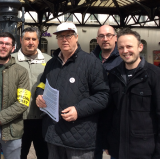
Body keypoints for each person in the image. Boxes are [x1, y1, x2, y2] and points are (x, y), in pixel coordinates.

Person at [35, 22, 109, 159]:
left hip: (79, 138)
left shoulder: (91, 63)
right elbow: (42, 84)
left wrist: (78, 110)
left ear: (76, 37)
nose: (64, 39)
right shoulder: (51, 64)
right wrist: (39, 95)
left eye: (68, 35)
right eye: (60, 36)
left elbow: (103, 95)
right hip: (53, 134)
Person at [103, 28, 160, 159]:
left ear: (140, 47)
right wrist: (107, 141)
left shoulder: (156, 76)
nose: (125, 51)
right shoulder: (114, 76)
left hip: (145, 153)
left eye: (129, 46)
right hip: (118, 151)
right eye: (121, 48)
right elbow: (109, 113)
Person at [11, 27, 51, 159]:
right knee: (18, 155)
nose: (30, 42)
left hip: (43, 120)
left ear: (38, 41)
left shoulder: (49, 61)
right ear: (21, 41)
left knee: (44, 155)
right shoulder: (11, 60)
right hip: (19, 120)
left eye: (34, 39)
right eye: (27, 39)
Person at [92, 25, 123, 159]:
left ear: (115, 38)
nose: (105, 39)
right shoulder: (90, 59)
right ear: (97, 39)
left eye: (109, 35)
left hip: (116, 119)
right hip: (94, 119)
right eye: (101, 36)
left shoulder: (123, 59)